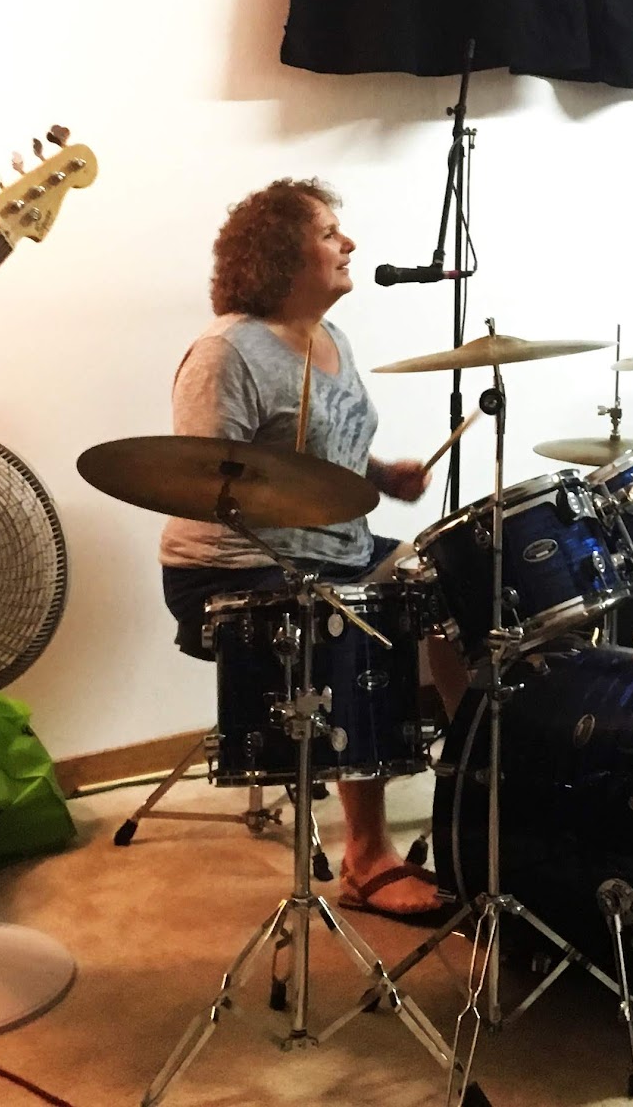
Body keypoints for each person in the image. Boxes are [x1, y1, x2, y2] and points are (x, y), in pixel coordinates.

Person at [160, 178, 446, 919]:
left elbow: (318, 453)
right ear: (281, 253)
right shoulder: (226, 353)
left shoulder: (331, 339)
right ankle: (366, 858)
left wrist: (380, 475)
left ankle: (471, 796)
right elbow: (202, 480)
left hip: (335, 544)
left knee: (452, 587)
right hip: (231, 566)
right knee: (349, 621)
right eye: (328, 232)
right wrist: (301, 506)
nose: (348, 243)